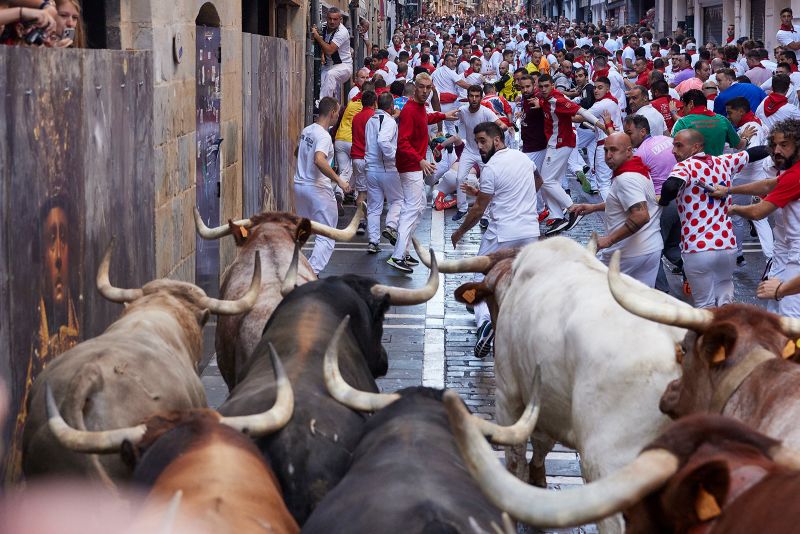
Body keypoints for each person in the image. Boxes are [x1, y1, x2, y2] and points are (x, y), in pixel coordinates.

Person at [451, 121, 540, 358]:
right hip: (530, 232)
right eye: (477, 142)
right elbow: (537, 182)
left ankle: (485, 324)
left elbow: (479, 209)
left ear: (497, 140)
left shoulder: (491, 168)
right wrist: (522, 202)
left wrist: (459, 232)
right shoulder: (523, 159)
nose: (479, 147)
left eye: (483, 141)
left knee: (479, 282)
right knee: (525, 283)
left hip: (501, 235)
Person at [659, 129, 758, 308]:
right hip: (727, 246)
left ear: (696, 147)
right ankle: (728, 332)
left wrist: (664, 201)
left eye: (679, 145)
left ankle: (711, 335)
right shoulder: (724, 161)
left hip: (698, 248)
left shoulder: (685, 166)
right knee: (725, 299)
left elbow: (671, 186)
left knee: (705, 306)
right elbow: (754, 153)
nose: (673, 151)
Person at [711, 118, 800, 317]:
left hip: (797, 251)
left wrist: (733, 209)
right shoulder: (792, 171)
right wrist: (729, 190)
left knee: (791, 314)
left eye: (784, 145)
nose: (777, 151)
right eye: (774, 145)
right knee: (776, 308)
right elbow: (768, 185)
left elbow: (759, 212)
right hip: (786, 248)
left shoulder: (795, 176)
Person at [569, 133, 663, 287]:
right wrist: (594, 207)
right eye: (605, 150)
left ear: (628, 151)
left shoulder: (626, 178)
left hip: (627, 253)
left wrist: (609, 240)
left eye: (614, 150)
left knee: (595, 292)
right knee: (639, 303)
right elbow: (625, 202)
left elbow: (640, 215)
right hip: (650, 249)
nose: (608, 156)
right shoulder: (638, 168)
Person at [389, 72, 457, 273]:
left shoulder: (419, 108)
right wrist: (420, 161)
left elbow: (425, 118)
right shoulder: (410, 110)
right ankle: (397, 255)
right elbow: (402, 142)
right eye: (422, 87)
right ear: (415, 87)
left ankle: (403, 251)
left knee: (418, 208)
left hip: (413, 166)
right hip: (410, 167)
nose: (426, 91)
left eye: (429, 88)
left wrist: (444, 115)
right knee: (412, 210)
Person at [533, 74, 608, 235]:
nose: (544, 89)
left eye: (547, 86)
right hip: (556, 144)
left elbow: (582, 112)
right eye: (542, 86)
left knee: (545, 181)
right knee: (551, 182)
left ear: (552, 85)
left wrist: (600, 125)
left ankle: (572, 209)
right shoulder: (543, 97)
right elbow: (537, 96)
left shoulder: (558, 100)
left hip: (560, 144)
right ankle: (558, 217)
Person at [623, 115, 680, 294]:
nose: (627, 137)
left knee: (654, 250)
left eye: (629, 133)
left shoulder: (640, 154)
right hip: (683, 202)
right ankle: (690, 272)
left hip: (661, 204)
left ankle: (661, 292)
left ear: (643, 131)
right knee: (673, 245)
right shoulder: (668, 140)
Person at [293, 97, 351, 274]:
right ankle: (312, 272)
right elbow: (319, 159)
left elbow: (297, 152)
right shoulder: (324, 136)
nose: (337, 117)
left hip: (300, 186)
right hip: (317, 188)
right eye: (338, 113)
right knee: (327, 233)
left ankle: (294, 267)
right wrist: (339, 180)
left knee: (302, 231)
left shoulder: (307, 130)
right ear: (333, 112)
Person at [724, 96, 774, 267]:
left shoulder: (750, 126)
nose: (729, 116)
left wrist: (732, 156)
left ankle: (739, 255)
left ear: (741, 111)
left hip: (746, 179)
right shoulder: (757, 121)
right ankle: (766, 257)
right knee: (757, 219)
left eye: (730, 113)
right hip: (756, 178)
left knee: (738, 217)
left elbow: (752, 154)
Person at [451, 84, 505, 221]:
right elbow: (450, 117)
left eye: (477, 96)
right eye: (471, 96)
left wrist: (503, 127)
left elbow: (499, 123)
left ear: (481, 98)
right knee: (460, 178)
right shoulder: (462, 110)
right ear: (467, 97)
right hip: (469, 150)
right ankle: (462, 208)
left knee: (486, 182)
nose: (474, 99)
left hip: (484, 153)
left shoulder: (486, 112)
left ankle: (485, 215)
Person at [364, 93, 403, 254]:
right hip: (387, 168)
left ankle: (373, 241)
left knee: (374, 207)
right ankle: (391, 225)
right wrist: (393, 156)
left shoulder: (370, 120)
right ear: (391, 106)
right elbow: (382, 141)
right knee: (398, 200)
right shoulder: (389, 121)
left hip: (371, 169)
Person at [671, 89, 750, 156]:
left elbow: (670, 149)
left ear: (691, 104)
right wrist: (746, 138)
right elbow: (739, 145)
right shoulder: (722, 120)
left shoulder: (682, 122)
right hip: (716, 171)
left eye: (684, 106)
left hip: (691, 171)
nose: (683, 111)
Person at [350, 87, 378, 236]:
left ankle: (361, 222)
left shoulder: (356, 117)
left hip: (356, 158)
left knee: (361, 192)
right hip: (369, 159)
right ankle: (371, 222)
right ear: (374, 102)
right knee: (373, 193)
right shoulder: (374, 117)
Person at [312, 8, 353, 100]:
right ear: (326, 18)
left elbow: (330, 50)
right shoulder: (323, 27)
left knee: (331, 75)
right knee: (318, 80)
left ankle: (324, 105)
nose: (332, 21)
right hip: (328, 66)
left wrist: (317, 37)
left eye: (335, 19)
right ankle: (319, 104)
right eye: (330, 18)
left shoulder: (342, 32)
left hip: (344, 66)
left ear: (340, 19)